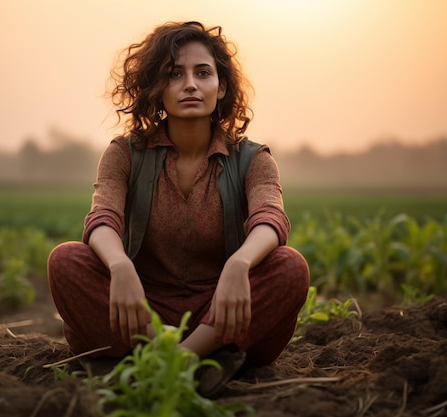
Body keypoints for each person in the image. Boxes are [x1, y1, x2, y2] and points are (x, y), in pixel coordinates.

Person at [47, 21, 310, 396]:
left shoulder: (253, 159)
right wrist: (120, 266)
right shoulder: (125, 153)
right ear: (157, 89)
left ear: (221, 87)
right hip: (140, 308)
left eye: (203, 73)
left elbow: (271, 216)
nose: (190, 84)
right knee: (65, 261)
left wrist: (239, 265)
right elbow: (103, 216)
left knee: (291, 267)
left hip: (222, 311)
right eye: (175, 74)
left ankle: (171, 361)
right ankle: (187, 361)